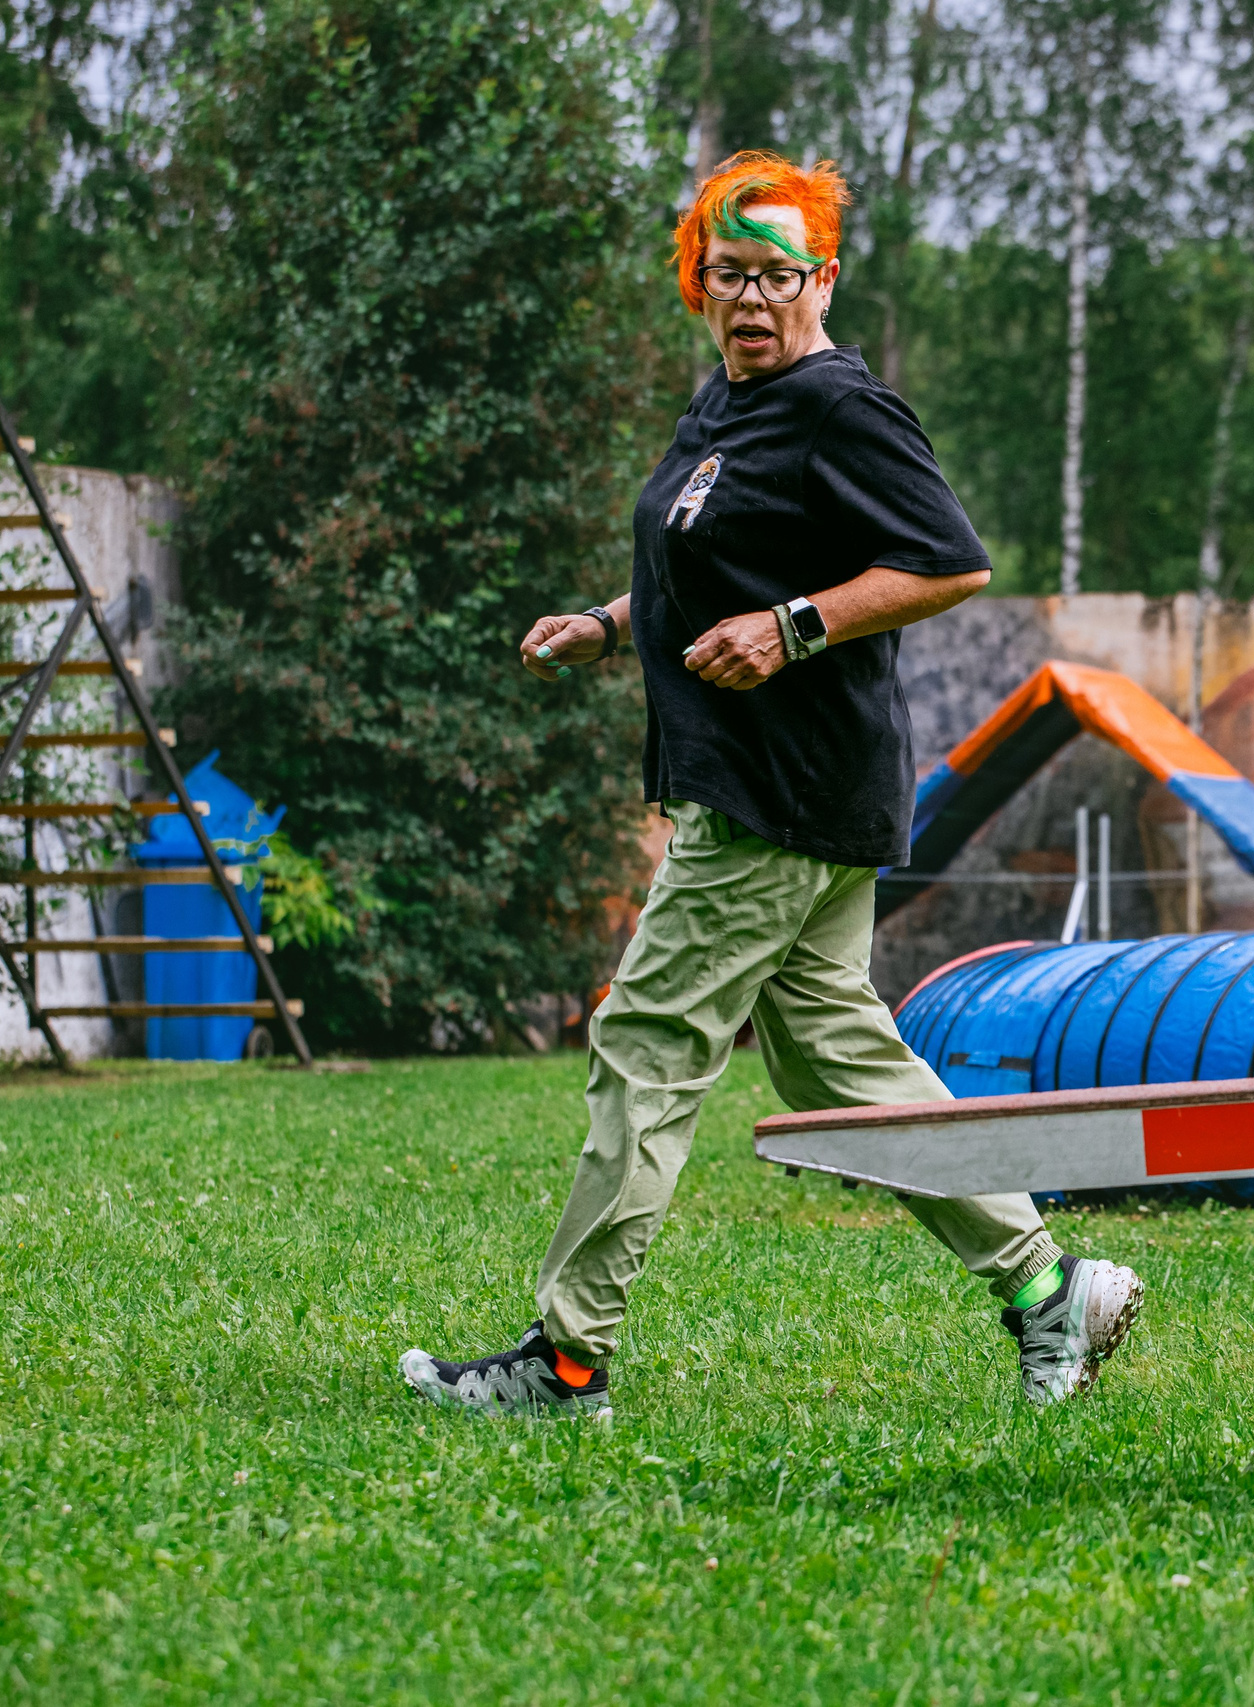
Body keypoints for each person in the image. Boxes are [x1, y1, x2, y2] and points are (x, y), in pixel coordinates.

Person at [400, 152, 1142, 1418]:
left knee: (644, 1048)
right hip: (781, 791)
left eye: (777, 276)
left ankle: (567, 1359)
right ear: (699, 285)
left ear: (823, 279)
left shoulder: (841, 409)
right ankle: (1048, 1288)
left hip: (777, 794)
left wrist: (795, 627)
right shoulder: (725, 406)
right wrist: (608, 620)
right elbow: (708, 573)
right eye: (728, 274)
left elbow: (947, 561)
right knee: (838, 1067)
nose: (751, 298)